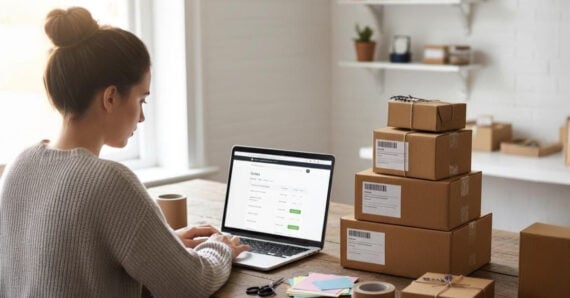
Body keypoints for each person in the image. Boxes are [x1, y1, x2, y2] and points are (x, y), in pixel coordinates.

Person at [0, 7, 248, 298]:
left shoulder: (20, 163)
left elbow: (61, 259)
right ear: (110, 97)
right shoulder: (110, 181)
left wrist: (163, 246)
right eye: (142, 100)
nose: (142, 117)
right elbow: (191, 285)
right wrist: (220, 248)